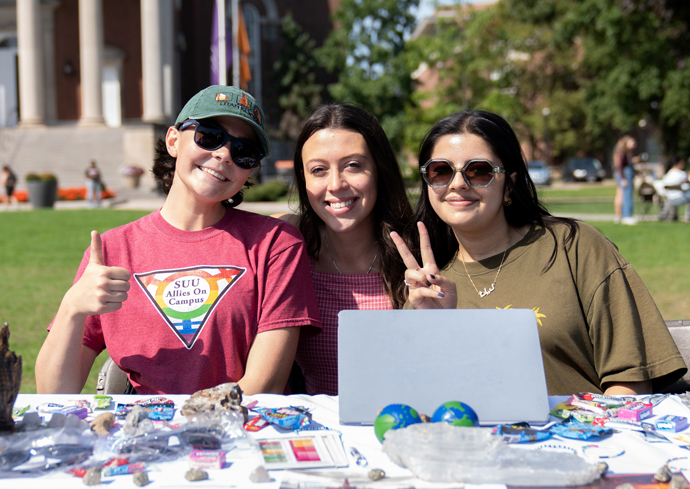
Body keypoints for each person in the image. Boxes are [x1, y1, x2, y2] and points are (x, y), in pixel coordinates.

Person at [36, 85, 322, 395]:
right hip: (141, 437)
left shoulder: (275, 245)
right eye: (210, 136)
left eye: (244, 153)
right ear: (173, 140)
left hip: (236, 433)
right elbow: (53, 394)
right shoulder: (111, 250)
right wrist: (72, 308)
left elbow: (264, 386)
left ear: (249, 171)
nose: (224, 154)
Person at [390, 109, 686, 396]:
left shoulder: (574, 247)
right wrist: (438, 330)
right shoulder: (428, 289)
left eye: (478, 171)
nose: (457, 184)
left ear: (509, 185)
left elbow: (631, 383)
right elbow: (422, 403)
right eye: (440, 171)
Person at [275, 104, 414, 395]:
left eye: (353, 165)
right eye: (318, 170)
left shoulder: (419, 250)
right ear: (304, 179)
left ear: (379, 169)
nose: (336, 184)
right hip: (313, 431)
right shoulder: (287, 244)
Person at [613, 135, 637, 225]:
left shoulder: (627, 153)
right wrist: (623, 178)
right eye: (632, 142)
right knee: (626, 195)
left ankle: (625, 215)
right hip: (625, 176)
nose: (634, 144)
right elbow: (620, 166)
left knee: (626, 195)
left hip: (627, 175)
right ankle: (626, 216)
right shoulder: (622, 152)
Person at [661, 156, 690, 222]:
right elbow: (688, 180)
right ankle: (688, 217)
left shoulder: (668, 174)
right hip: (678, 197)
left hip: (668, 198)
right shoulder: (680, 174)